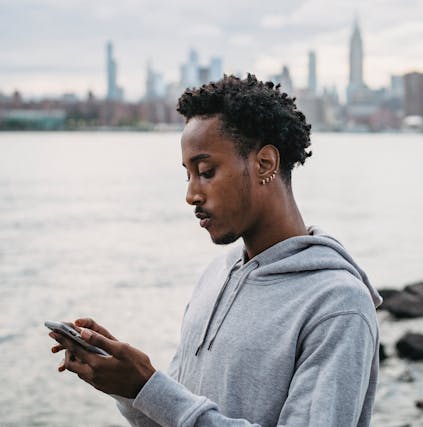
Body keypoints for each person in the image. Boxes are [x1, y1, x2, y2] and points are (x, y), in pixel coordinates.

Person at [49, 74, 382, 427]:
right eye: (188, 175)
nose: (191, 194)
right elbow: (176, 417)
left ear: (265, 164)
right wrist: (130, 388)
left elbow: (178, 410)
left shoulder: (338, 306)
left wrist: (148, 385)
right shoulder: (214, 276)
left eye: (206, 172)